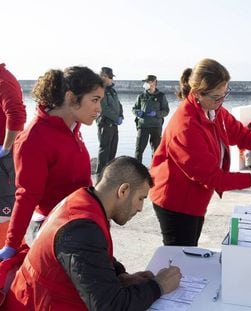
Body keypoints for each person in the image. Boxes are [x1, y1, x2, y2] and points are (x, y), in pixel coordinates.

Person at [4, 156, 181, 310]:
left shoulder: (84, 201)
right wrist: (158, 286)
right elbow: (110, 306)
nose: (141, 208)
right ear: (123, 191)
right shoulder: (81, 229)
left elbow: (92, 258)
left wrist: (120, 275)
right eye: (141, 198)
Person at [150, 58, 251, 246]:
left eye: (225, 94)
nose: (221, 101)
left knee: (190, 248)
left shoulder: (213, 109)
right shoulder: (186, 127)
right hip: (176, 201)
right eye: (217, 97)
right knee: (180, 254)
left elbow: (238, 132)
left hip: (196, 198)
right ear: (198, 93)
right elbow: (214, 178)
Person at [0, 66, 104, 260]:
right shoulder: (34, 138)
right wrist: (12, 244)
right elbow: (27, 195)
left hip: (79, 219)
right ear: (72, 98)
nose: (99, 109)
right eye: (95, 100)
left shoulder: (73, 128)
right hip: (55, 229)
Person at [0, 64, 26, 217]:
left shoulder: (4, 80)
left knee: (4, 210)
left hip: (4, 159)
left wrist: (6, 147)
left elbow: (17, 116)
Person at [132, 75, 169, 163]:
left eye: (147, 82)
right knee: (139, 150)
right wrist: (137, 112)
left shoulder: (161, 96)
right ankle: (137, 171)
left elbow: (166, 111)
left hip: (156, 127)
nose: (145, 84)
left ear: (153, 83)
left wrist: (156, 114)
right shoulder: (141, 96)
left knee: (156, 150)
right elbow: (134, 108)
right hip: (143, 126)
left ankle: (154, 170)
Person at [96, 67, 124, 177]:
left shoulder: (112, 90)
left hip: (114, 126)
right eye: (110, 77)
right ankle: (99, 176)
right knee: (104, 152)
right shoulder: (100, 90)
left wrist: (121, 115)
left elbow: (119, 104)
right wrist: (115, 118)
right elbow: (104, 108)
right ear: (103, 77)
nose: (112, 79)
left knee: (112, 151)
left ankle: (109, 176)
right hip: (105, 124)